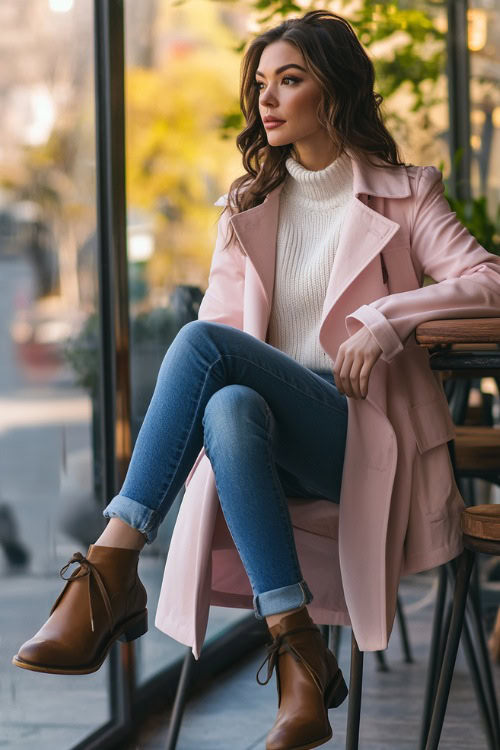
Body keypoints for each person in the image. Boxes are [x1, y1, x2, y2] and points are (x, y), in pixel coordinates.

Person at [12, 9, 500, 750]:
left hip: (362, 438)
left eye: (290, 80)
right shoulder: (247, 211)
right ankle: (296, 652)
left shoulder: (407, 194)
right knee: (233, 402)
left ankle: (111, 566)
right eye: (261, 83)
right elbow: (221, 359)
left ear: (332, 90)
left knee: (208, 348)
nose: (266, 99)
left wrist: (389, 319)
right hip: (264, 446)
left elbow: (490, 282)